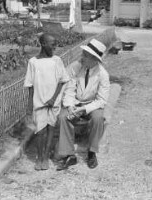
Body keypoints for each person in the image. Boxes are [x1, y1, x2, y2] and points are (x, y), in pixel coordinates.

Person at [56, 38, 110, 171]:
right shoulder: (76, 66)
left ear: (94, 59)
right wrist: (70, 106)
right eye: (83, 54)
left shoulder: (102, 74)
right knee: (64, 117)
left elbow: (102, 100)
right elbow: (69, 88)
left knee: (98, 118)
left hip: (92, 104)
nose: (82, 57)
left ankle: (92, 152)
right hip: (75, 102)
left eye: (85, 56)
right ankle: (69, 155)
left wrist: (84, 109)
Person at [24, 33, 70, 171]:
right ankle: (39, 156)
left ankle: (45, 157)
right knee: (40, 131)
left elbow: (62, 81)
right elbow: (30, 85)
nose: (55, 46)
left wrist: (53, 99)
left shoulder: (57, 60)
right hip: (39, 103)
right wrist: (29, 105)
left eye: (55, 44)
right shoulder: (33, 62)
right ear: (43, 44)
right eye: (52, 44)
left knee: (50, 129)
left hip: (53, 103)